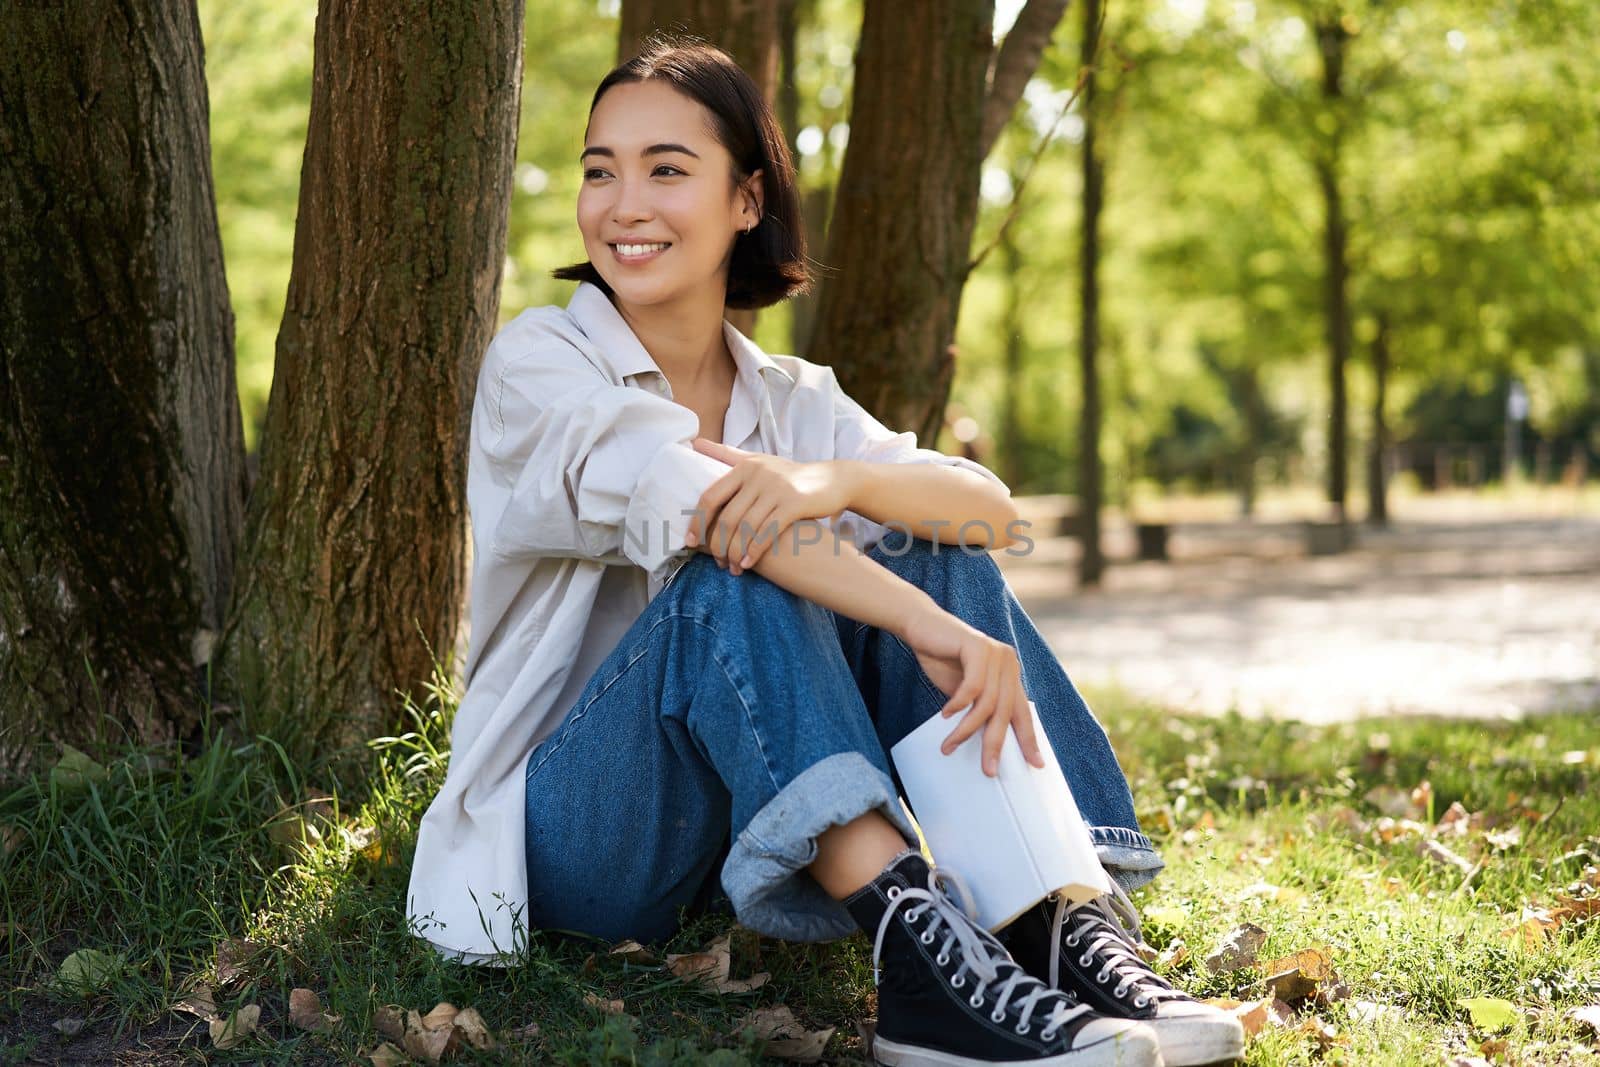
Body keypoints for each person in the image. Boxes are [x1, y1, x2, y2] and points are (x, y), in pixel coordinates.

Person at [406, 38, 1244, 1067]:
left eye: (667, 169)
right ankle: (918, 960)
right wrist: (924, 625)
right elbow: (706, 504)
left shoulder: (794, 396)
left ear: (746, 200)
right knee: (736, 565)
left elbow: (986, 509)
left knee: (924, 538)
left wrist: (838, 479)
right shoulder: (541, 360)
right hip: (581, 831)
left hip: (738, 827)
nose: (623, 203)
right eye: (600, 169)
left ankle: (1056, 920)